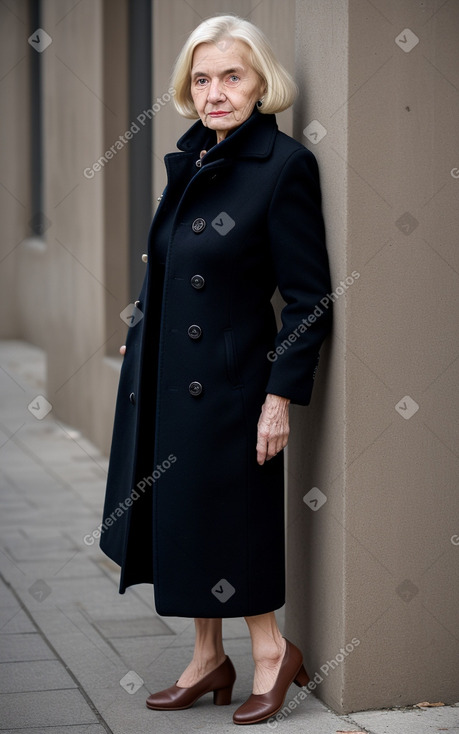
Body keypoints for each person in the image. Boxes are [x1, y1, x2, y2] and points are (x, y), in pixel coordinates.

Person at [100, 14, 332, 725]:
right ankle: (208, 658)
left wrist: (278, 398)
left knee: (229, 517)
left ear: (262, 82)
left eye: (231, 76)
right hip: (169, 377)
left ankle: (270, 653)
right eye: (201, 79)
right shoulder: (194, 158)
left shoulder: (282, 165)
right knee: (185, 516)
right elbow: (168, 269)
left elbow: (308, 298)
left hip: (231, 382)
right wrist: (140, 331)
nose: (215, 92)